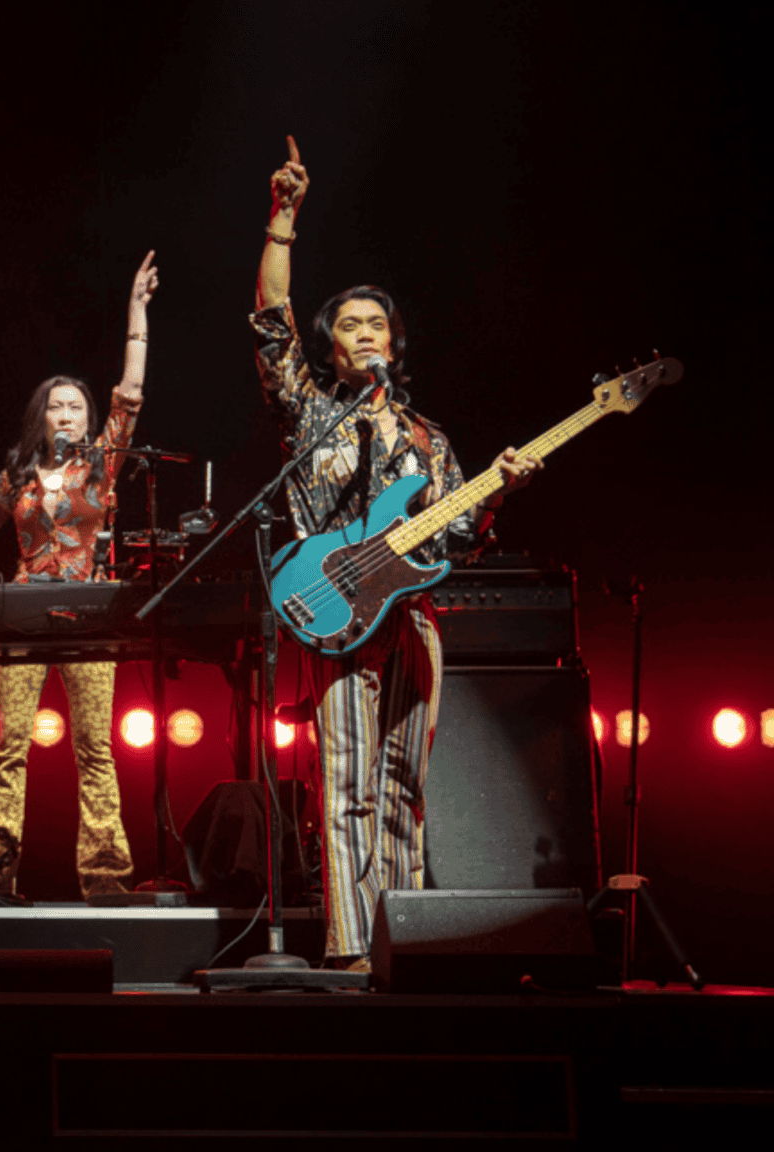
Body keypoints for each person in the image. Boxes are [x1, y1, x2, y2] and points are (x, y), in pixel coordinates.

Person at [252, 137, 539, 968]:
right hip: (338, 612)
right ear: (331, 345)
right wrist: (283, 222)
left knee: (403, 788)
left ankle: (399, 940)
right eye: (350, 323)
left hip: (412, 616)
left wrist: (497, 493)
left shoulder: (427, 438)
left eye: (379, 323)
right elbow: (270, 327)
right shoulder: (312, 414)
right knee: (343, 788)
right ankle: (350, 946)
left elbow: (454, 538)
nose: (367, 332)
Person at [0, 252, 160, 900]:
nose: (66, 416)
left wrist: (135, 315)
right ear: (42, 417)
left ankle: (106, 878)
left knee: (95, 748)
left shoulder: (101, 467)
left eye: (76, 408)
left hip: (86, 612)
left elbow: (130, 397)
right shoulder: (18, 476)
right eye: (57, 408)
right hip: (24, 613)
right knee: (9, 746)